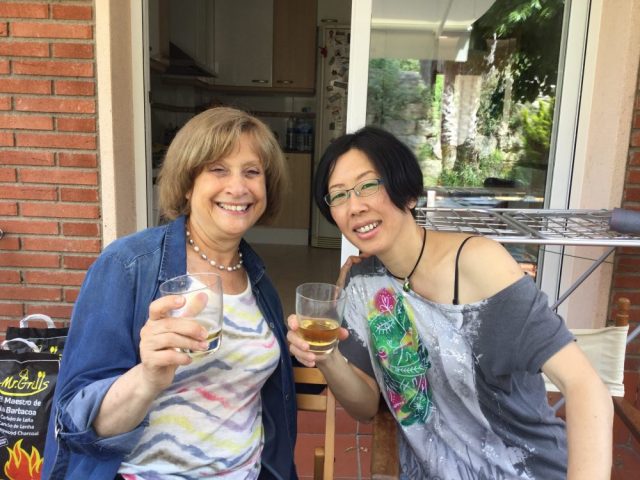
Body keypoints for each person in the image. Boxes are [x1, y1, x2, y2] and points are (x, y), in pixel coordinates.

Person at [287, 126, 613, 479]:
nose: (355, 207)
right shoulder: (362, 283)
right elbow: (365, 407)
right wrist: (328, 357)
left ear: (408, 194)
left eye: (368, 185)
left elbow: (584, 385)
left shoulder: (479, 264)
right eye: (338, 195)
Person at [43, 107, 298, 479]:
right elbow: (74, 420)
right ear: (188, 182)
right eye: (218, 169)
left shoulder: (257, 279)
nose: (238, 187)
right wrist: (147, 377)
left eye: (252, 172)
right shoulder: (128, 265)